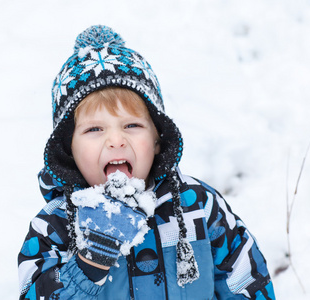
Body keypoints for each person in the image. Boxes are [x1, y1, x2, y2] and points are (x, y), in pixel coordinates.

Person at [18, 25, 275, 300]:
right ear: (68, 149)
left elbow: (247, 283)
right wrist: (89, 263)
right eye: (94, 130)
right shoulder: (54, 227)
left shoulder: (198, 207)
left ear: (157, 139)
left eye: (131, 125)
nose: (116, 141)